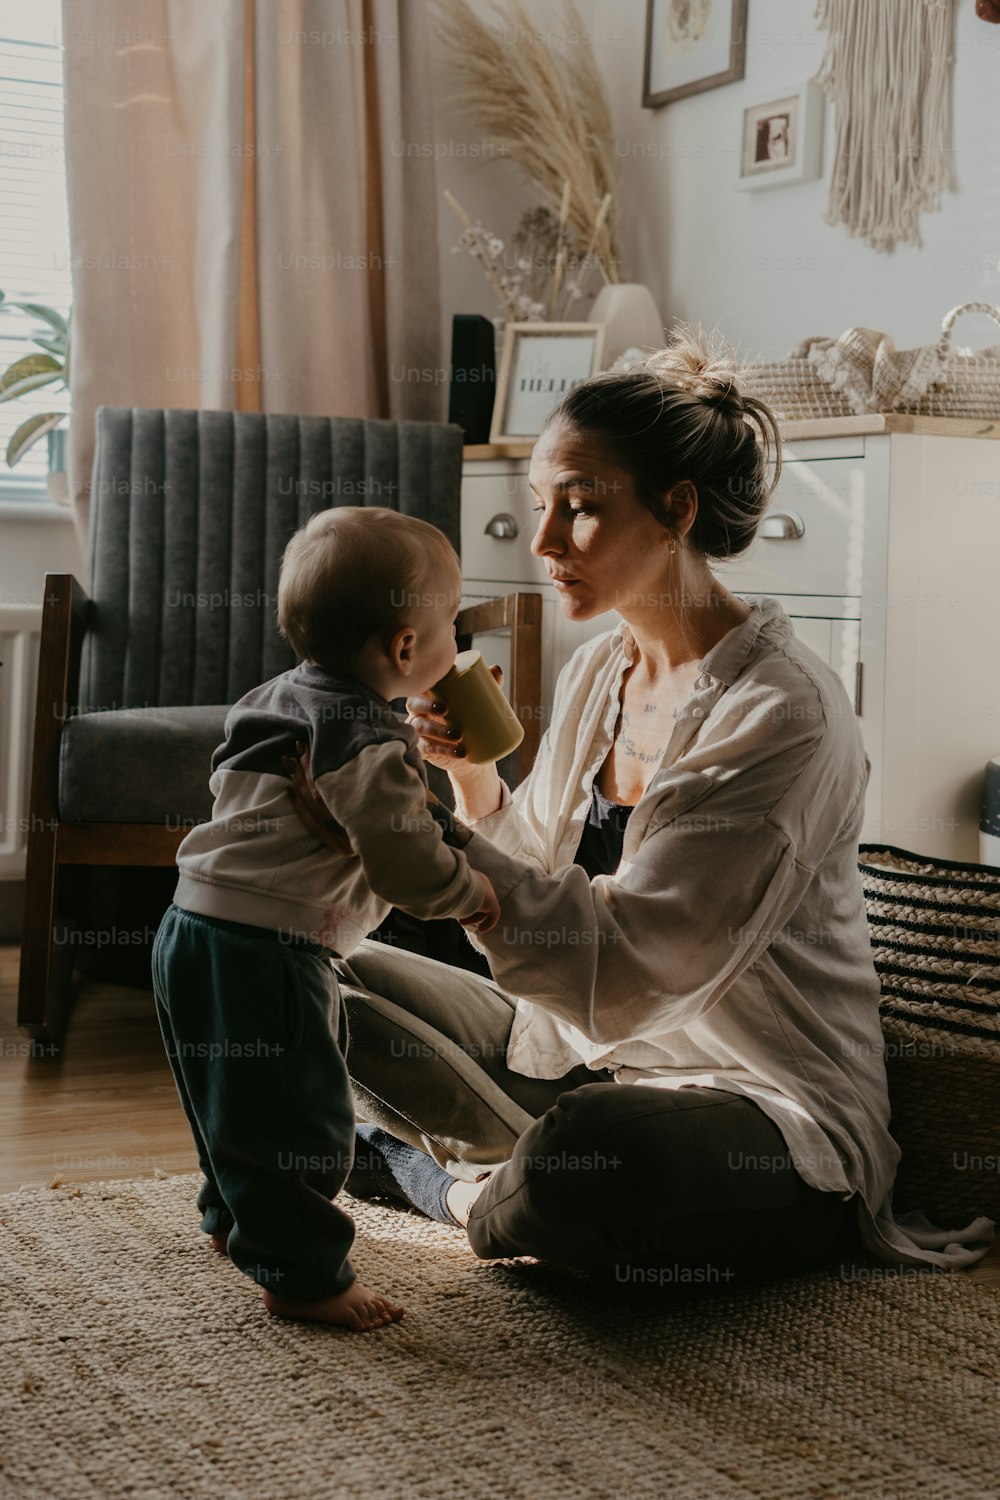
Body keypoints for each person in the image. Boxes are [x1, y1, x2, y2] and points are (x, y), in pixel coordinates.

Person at [292, 328, 993, 1283]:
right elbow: (539, 875)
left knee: (608, 1153)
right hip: (581, 1052)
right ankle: (512, 1169)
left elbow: (630, 968)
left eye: (577, 509)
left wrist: (422, 837)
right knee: (302, 967)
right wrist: (470, 784)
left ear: (677, 510)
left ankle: (446, 1185)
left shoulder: (782, 711)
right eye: (541, 507)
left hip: (755, 1109)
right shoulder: (599, 669)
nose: (544, 543)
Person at [151, 506, 500, 1332]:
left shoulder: (277, 697)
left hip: (188, 923)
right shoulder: (367, 735)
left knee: (225, 1096)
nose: (458, 640)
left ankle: (232, 1219)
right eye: (452, 624)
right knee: (303, 1115)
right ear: (407, 650)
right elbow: (403, 859)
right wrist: (468, 893)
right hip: (267, 947)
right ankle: (303, 1276)